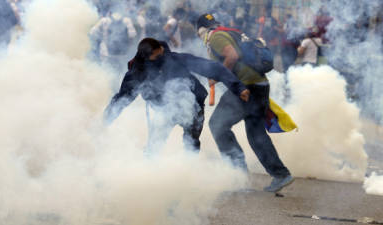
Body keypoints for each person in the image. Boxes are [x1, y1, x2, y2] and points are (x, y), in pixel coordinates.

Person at [196, 13, 293, 192]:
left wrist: (218, 76)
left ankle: (238, 177)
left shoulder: (216, 36)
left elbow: (231, 56)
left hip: (245, 88)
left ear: (201, 31)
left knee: (217, 125)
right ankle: (281, 174)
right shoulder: (229, 32)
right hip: (259, 85)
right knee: (256, 134)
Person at [104, 38, 250, 154]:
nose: (163, 56)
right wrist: (105, 121)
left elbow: (213, 67)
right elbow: (121, 99)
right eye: (158, 56)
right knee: (155, 142)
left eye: (161, 52)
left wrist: (238, 87)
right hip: (164, 109)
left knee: (191, 141)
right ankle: (148, 174)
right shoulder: (137, 72)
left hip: (193, 105)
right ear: (148, 58)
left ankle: (188, 172)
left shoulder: (175, 59)